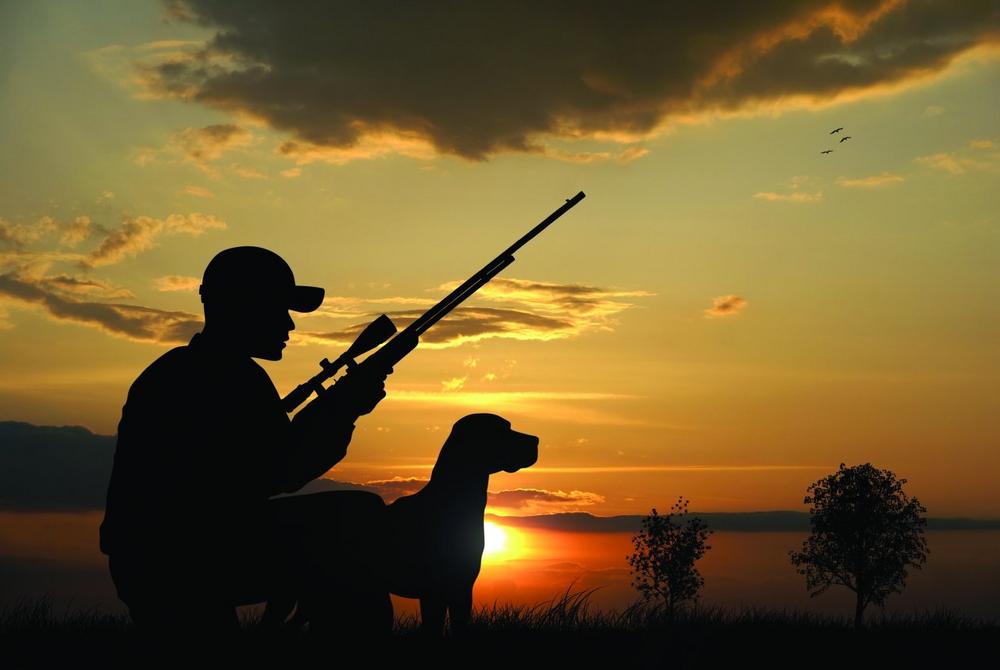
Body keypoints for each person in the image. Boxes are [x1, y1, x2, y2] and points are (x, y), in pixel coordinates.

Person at [98, 246, 393, 643]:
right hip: (182, 561)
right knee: (356, 515)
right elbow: (280, 471)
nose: (289, 323)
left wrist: (337, 411)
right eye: (278, 309)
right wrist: (343, 410)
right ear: (244, 307)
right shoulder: (222, 377)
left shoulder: (193, 370)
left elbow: (264, 461)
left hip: (170, 557)